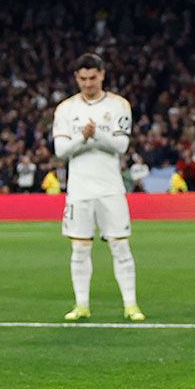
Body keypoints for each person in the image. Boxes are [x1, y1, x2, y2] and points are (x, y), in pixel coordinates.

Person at [51, 54, 142, 321]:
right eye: (83, 78)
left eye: (93, 77)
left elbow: (121, 145)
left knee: (120, 247)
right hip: (79, 190)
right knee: (79, 249)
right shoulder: (66, 109)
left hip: (110, 187)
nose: (88, 83)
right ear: (76, 78)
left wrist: (97, 135)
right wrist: (83, 136)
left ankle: (131, 305)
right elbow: (60, 151)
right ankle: (81, 305)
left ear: (102, 75)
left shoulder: (118, 105)